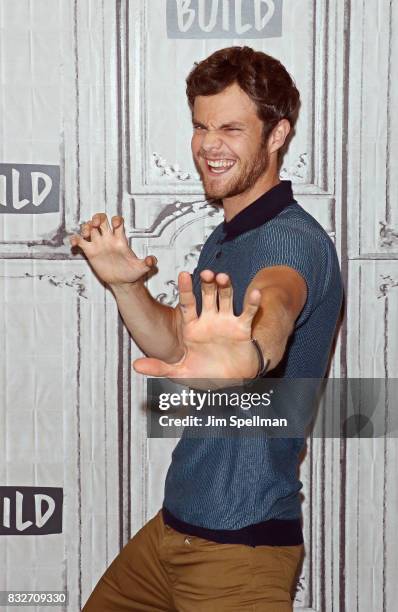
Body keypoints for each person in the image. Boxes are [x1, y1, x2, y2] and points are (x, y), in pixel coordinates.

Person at [71, 46, 343, 612]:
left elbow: (277, 300)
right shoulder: (230, 234)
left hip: (238, 554)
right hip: (174, 532)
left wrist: (255, 351)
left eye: (230, 128)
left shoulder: (294, 241)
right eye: (200, 126)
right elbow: (177, 343)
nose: (208, 145)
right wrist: (125, 285)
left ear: (276, 135)